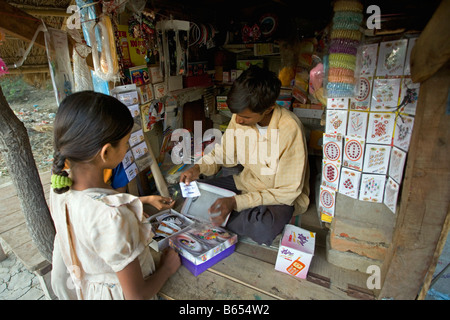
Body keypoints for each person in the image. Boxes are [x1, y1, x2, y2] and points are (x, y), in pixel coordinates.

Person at [49, 91, 180, 300]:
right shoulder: (113, 217)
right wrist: (167, 268)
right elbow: (137, 296)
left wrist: (141, 201)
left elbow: (90, 215)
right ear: (106, 152)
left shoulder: (59, 188)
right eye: (127, 142)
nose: (128, 147)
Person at [180, 66, 310, 245]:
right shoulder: (239, 117)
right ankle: (232, 216)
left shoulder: (289, 129)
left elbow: (287, 192)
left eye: (245, 118)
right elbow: (224, 152)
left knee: (263, 228)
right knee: (196, 193)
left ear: (268, 108)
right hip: (246, 182)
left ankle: (228, 216)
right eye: (236, 115)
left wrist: (235, 202)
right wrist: (198, 167)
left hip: (277, 196)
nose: (238, 120)